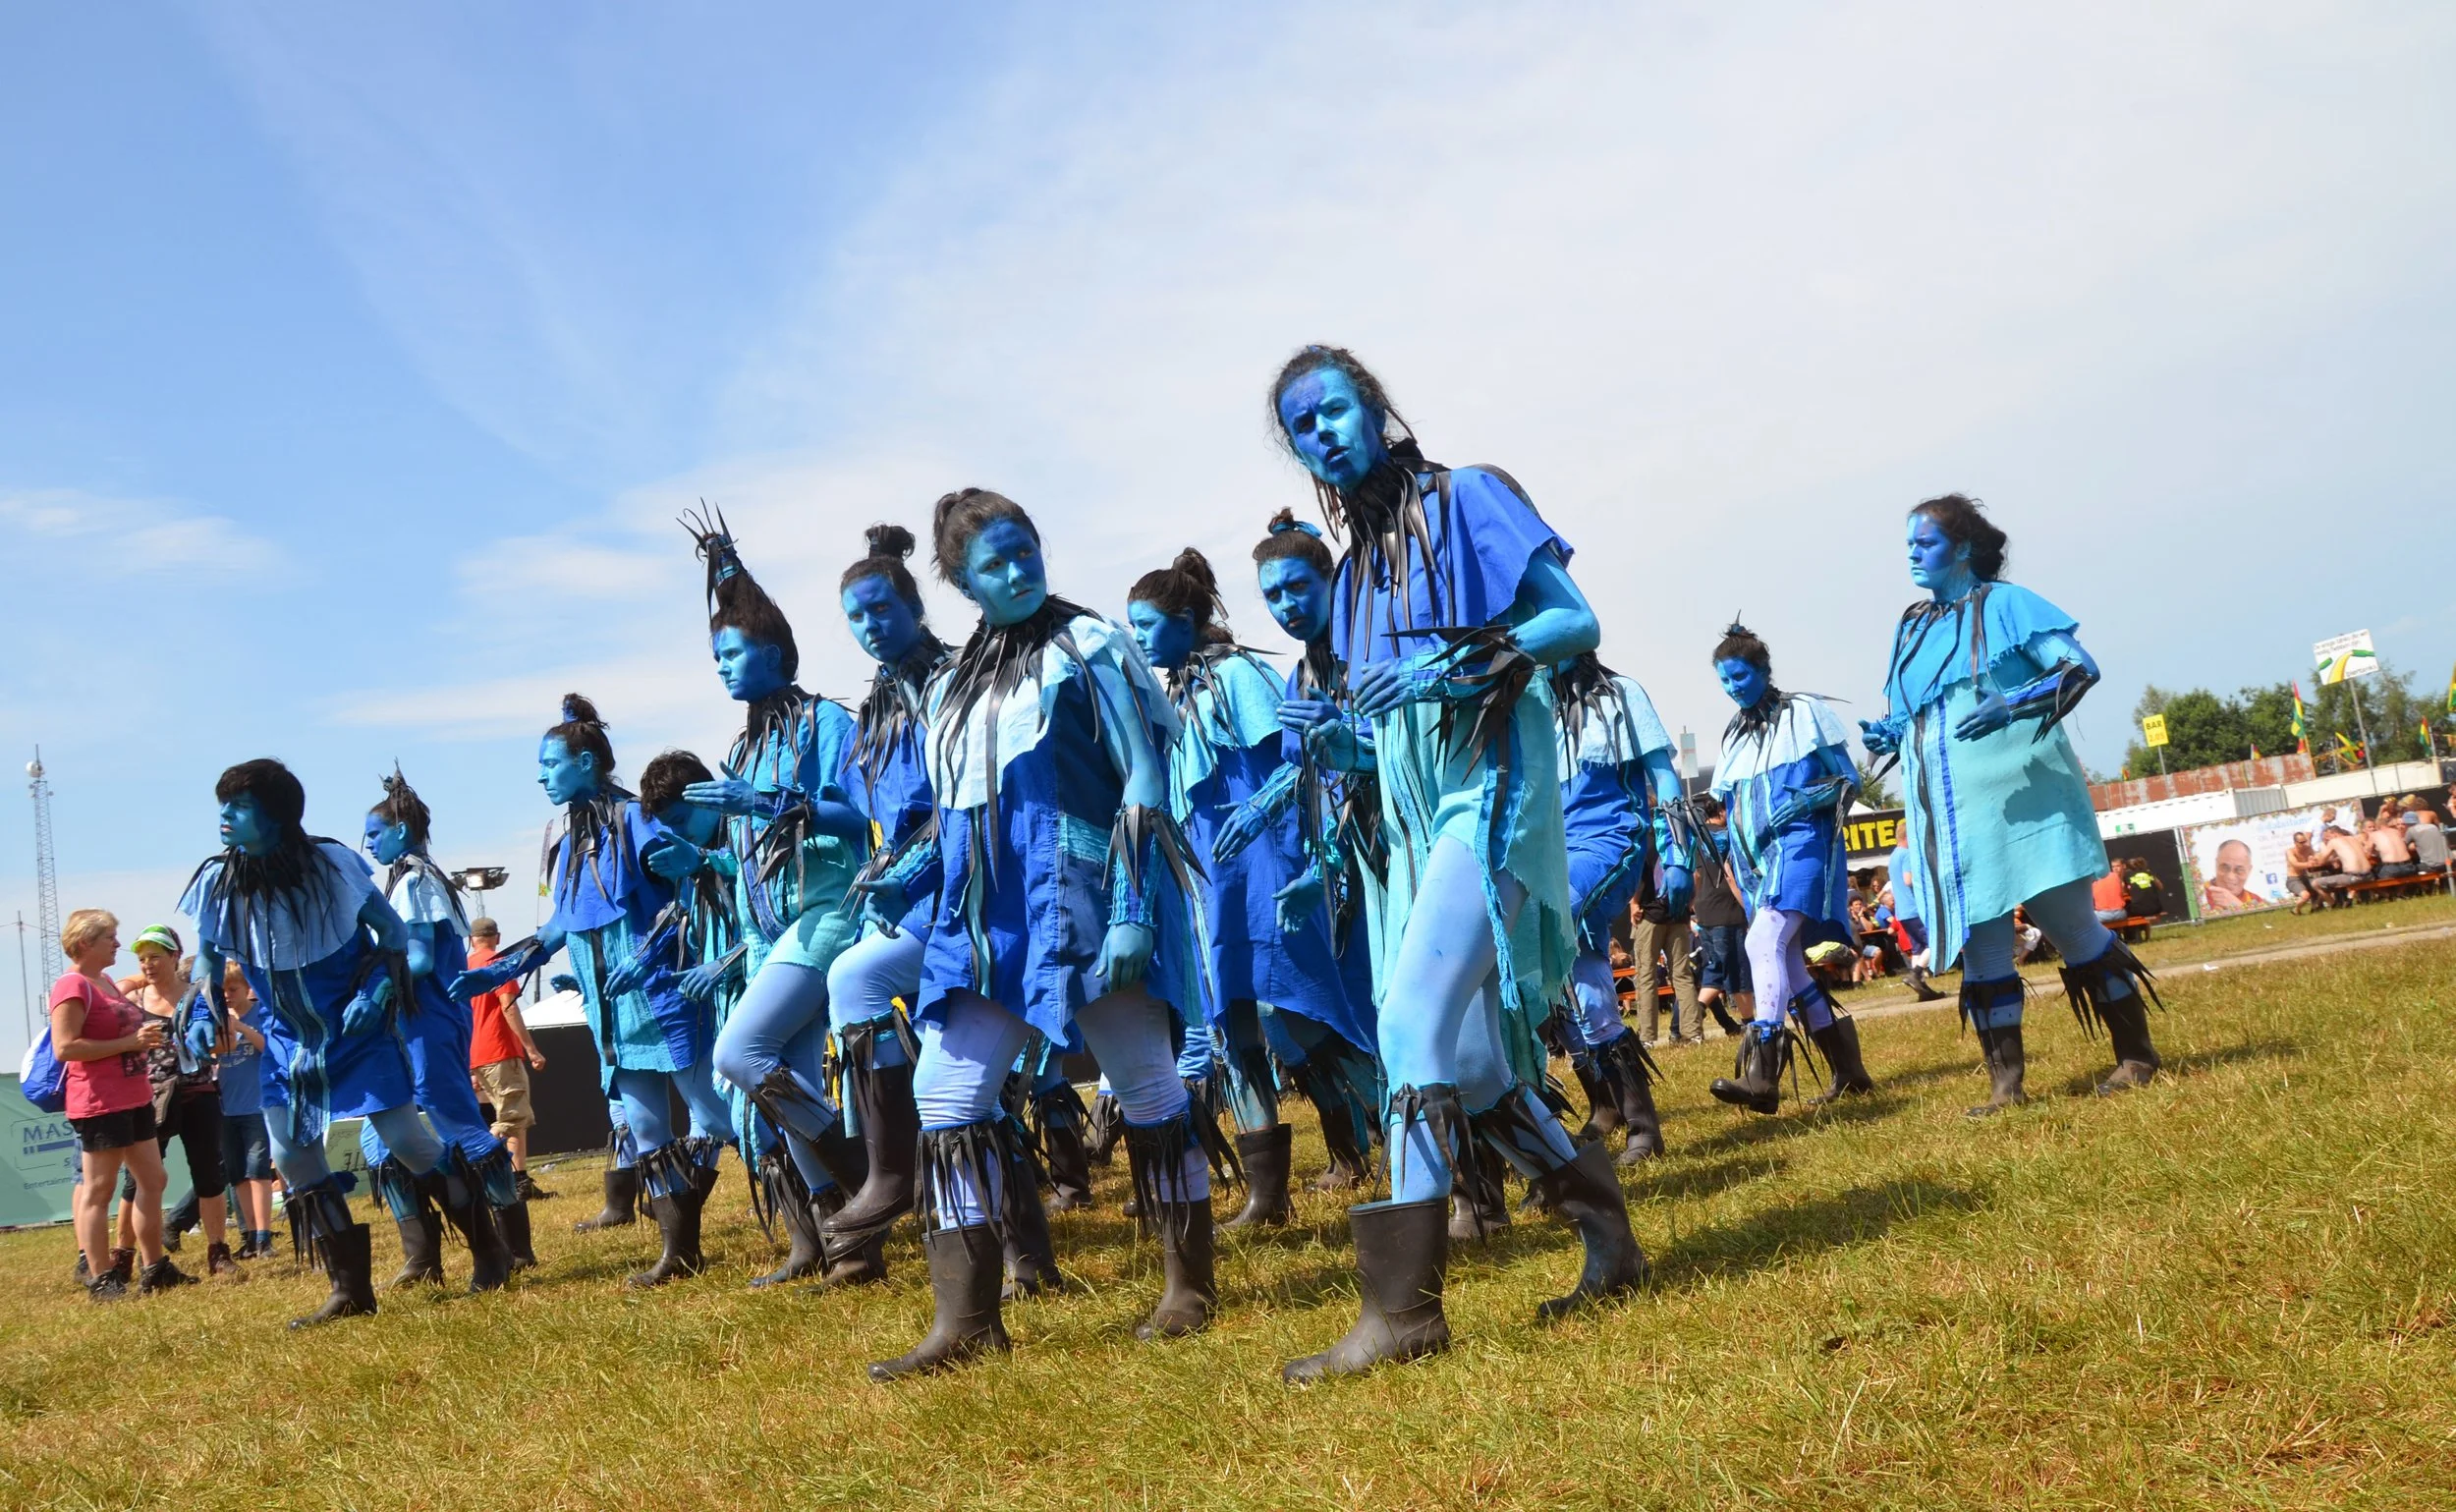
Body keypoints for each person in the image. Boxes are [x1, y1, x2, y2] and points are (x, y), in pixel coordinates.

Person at [1267, 346, 1647, 1383]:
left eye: (1336, 409)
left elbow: (1573, 620)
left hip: (1495, 796)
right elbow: (1387, 737)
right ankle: (1610, 1234)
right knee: (1470, 1067)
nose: (1325, 433)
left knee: (1405, 1024)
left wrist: (1447, 661)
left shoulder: (1465, 499)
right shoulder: (1351, 580)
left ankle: (1403, 1313)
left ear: (1375, 409)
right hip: (1419, 815)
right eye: (1303, 425)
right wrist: (1334, 739)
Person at [865, 486, 1216, 1381]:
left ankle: (1188, 1284)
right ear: (960, 581)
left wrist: (1136, 907)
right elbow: (959, 815)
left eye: (1026, 551)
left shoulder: (1091, 644)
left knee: (1144, 1082)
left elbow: (1144, 774)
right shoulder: (953, 685)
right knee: (946, 1096)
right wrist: (910, 881)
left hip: (1086, 896)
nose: (1017, 571)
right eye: (994, 563)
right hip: (986, 920)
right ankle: (969, 1318)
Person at [1860, 494, 2162, 1117]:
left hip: (2028, 804)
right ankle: (2006, 1087)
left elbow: (2079, 668)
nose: (1913, 554)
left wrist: (2014, 702)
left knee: (2075, 929)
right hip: (1950, 818)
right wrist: (1891, 735)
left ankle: (2136, 1055)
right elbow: (1915, 713)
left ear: (1964, 548)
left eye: (1927, 543)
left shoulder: (2007, 605)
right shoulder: (1911, 628)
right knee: (1984, 949)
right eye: (1909, 545)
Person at [447, 699, 738, 1289]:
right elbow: (560, 926)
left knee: (716, 1115)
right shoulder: (567, 841)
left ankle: (818, 1212)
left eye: (550, 763)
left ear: (586, 762)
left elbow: (694, 891)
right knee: (646, 1126)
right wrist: (498, 971)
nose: (541, 775)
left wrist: (650, 954)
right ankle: (679, 1251)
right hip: (613, 1008)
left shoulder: (635, 819)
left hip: (663, 994)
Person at [1127, 546, 1374, 1225]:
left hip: (1264, 863)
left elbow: (1300, 767)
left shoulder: (1239, 675)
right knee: (1229, 1020)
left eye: (1147, 625)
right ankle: (1269, 1195)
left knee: (1292, 1009)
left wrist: (1275, 830)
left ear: (1185, 618)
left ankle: (1385, 1120)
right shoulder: (1173, 696)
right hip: (1208, 879)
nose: (1140, 639)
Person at [663, 513, 875, 1290]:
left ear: (778, 653)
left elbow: (860, 818)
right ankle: (843, 1237)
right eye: (716, 653)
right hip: (770, 932)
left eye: (735, 650)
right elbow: (751, 848)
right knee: (785, 1082)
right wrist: (706, 856)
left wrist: (776, 801)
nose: (722, 666)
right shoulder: (743, 746)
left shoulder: (825, 721)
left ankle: (864, 1171)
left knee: (734, 1055)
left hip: (826, 919)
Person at [184, 758, 458, 1326]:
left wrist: (380, 991)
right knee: (290, 1155)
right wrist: (202, 1014)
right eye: (222, 806)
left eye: (239, 806)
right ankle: (349, 1289)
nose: (225, 817)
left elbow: (396, 935)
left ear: (278, 815)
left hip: (358, 1031)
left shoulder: (334, 864)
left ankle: (490, 1244)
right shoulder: (219, 882)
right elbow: (208, 966)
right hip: (288, 1042)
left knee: (409, 1140)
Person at [1211, 508, 1389, 1196]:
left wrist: (1329, 863)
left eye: (1297, 588)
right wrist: (1259, 808)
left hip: (1395, 853)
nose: (1286, 605)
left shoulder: (1373, 648)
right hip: (1346, 868)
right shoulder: (1300, 676)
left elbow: (1397, 755)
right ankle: (1408, 1154)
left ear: (1330, 578)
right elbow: (1304, 767)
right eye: (1272, 596)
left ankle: (1487, 1165)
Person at [819, 526, 951, 1271]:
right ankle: (921, 1195)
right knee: (952, 1078)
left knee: (857, 979)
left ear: (912, 602)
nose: (870, 626)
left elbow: (968, 801)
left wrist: (920, 862)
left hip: (966, 892)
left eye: (880, 608)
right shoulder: (876, 707)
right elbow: (863, 810)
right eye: (855, 617)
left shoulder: (956, 681)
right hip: (906, 901)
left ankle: (892, 1177)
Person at [360, 770, 526, 1288]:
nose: (367, 843)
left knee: (461, 1128)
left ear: (403, 830)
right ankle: (422, 1256)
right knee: (379, 1140)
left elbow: (422, 960)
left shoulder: (416, 881)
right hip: (406, 1026)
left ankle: (511, 1247)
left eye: (375, 834)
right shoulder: (409, 879)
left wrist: (368, 988)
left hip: (427, 1022)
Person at [1705, 622, 1874, 1115]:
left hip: (1803, 847)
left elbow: (1849, 778)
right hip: (1757, 860)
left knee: (1762, 942)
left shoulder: (1803, 713)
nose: (1732, 688)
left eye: (1739, 677)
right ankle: (1851, 1073)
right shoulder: (1734, 734)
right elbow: (1726, 800)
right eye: (1724, 681)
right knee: (1793, 968)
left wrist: (1807, 801)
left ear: (1761, 670)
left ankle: (1762, 1076)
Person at [1548, 649, 1692, 1163]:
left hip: (1612, 838)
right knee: (1581, 981)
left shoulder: (1623, 694)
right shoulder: (1530, 703)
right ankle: (1629, 1117)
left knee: (1550, 918)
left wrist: (1678, 855)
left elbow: (1665, 775)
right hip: (1551, 853)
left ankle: (1627, 1117)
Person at [51, 910, 192, 1300]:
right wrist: (129, 1044)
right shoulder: (72, 986)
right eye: (110, 938)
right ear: (85, 944)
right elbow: (65, 1047)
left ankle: (154, 1267)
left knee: (154, 1180)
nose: (117, 943)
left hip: (134, 1097)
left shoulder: (106, 981)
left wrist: (140, 1036)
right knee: (100, 1190)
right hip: (100, 1101)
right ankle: (102, 1279)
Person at [115, 926, 241, 1279]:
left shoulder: (197, 997)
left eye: (156, 956)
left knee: (209, 1174)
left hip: (197, 1092)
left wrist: (200, 1046)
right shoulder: (134, 1002)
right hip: (149, 1097)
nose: (148, 964)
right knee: (135, 1181)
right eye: (142, 958)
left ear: (175, 956)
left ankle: (218, 1253)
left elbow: (227, 1044)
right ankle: (123, 1258)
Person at [464, 918, 551, 1201]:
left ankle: (519, 1180)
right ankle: (470, 1173)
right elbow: (509, 1009)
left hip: (476, 1055)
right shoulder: (499, 964)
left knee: (515, 1118)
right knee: (513, 1117)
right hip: (500, 1051)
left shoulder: (463, 968)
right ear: (497, 937)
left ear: (470, 939)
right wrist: (531, 1049)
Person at [211, 959, 279, 1260]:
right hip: (227, 1108)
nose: (227, 995)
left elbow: (270, 1048)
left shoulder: (259, 1014)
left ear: (246, 987)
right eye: (222, 990)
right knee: (238, 1175)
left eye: (233, 988)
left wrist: (239, 1027)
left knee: (258, 1172)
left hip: (256, 1106)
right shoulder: (215, 1018)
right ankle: (250, 1235)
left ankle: (265, 1236)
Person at [1692, 798, 1756, 1033]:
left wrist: (1694, 907)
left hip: (1705, 910)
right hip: (1727, 910)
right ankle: (1748, 1022)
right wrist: (1748, 909)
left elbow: (1696, 875)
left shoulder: (1697, 839)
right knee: (1738, 969)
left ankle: (1695, 1012)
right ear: (1720, 811)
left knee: (1717, 966)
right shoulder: (1728, 838)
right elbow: (1730, 876)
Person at [2201, 838, 2261, 914]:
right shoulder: (2200, 896)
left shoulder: (2255, 900)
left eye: (2239, 870)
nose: (2230, 877)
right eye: (2225, 868)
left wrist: (2238, 906)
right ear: (2216, 865)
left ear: (2249, 870)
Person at [2092, 859, 2128, 924]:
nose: (2115, 869)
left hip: (2103, 915)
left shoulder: (2093, 880)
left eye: (2117, 866)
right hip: (2120, 913)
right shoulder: (2115, 876)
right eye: (2113, 867)